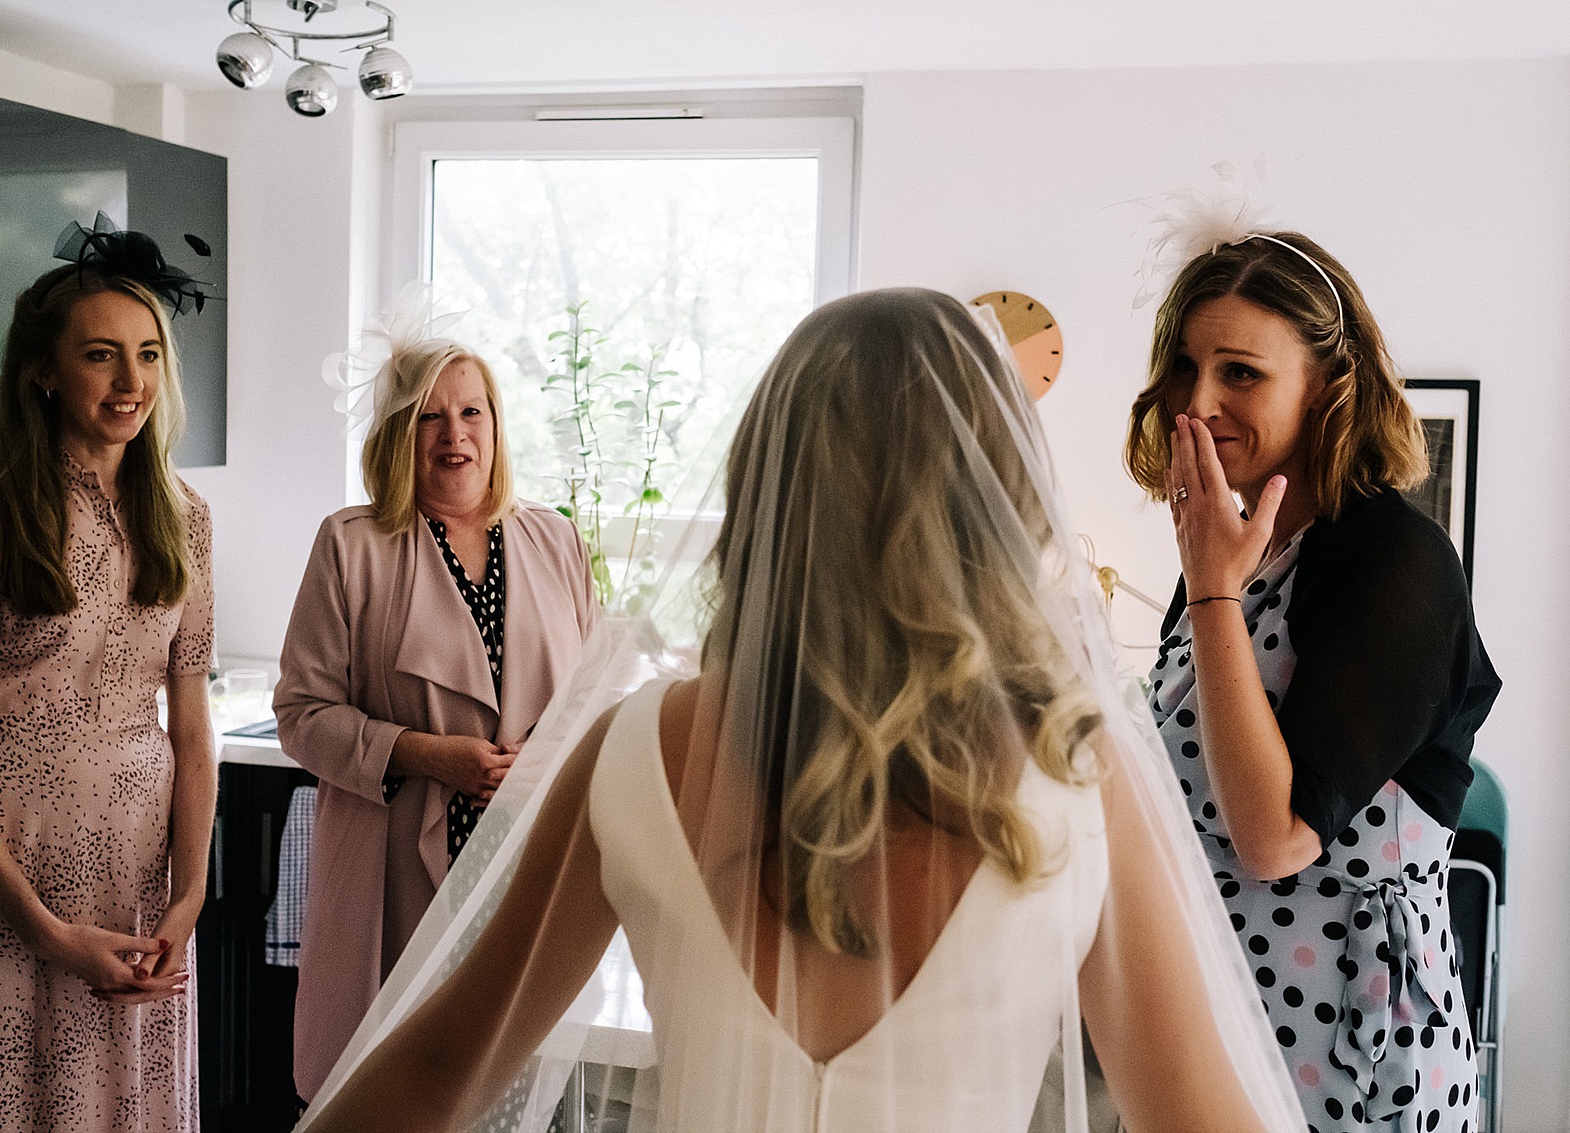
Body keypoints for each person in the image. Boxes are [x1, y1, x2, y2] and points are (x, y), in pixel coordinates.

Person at [295, 287, 1310, 1133]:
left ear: (769, 486)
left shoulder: (637, 750)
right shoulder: (1080, 773)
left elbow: (436, 1067)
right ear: (997, 499)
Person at [1125, 230, 1502, 1131]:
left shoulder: (1397, 560)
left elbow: (1277, 836)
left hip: (1350, 1054)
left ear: (1330, 387)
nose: (1200, 400)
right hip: (1214, 1025)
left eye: (1241, 372)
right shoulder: (1234, 556)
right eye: (1185, 366)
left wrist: (1212, 586)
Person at [0, 217, 217, 1131]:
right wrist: (46, 930)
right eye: (102, 356)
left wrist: (189, 897)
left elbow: (192, 734)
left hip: (139, 894)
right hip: (7, 893)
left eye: (148, 355)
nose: (132, 383)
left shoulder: (187, 517)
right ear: (44, 371)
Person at [275, 294, 598, 1103]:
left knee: (511, 1093)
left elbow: (593, 703)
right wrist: (424, 753)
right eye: (429, 417)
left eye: (472, 411)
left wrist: (546, 757)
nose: (456, 434)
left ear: (496, 425)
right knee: (400, 1095)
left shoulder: (553, 539)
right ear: (397, 435)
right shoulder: (351, 545)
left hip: (523, 869)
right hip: (396, 871)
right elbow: (302, 714)